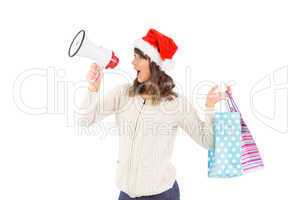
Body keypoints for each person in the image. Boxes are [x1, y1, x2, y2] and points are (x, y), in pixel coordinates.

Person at [78, 28, 231, 200]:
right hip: (126, 194)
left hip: (161, 195)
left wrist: (209, 106)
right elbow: (84, 120)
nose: (132, 63)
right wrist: (93, 89)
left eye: (137, 57)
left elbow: (208, 141)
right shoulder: (123, 94)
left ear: (153, 63)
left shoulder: (175, 104)